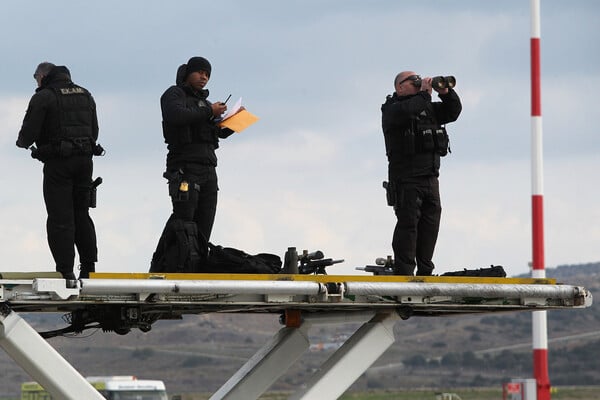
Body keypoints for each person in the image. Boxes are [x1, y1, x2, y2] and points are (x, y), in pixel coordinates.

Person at [16, 62, 101, 280]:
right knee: (82, 214)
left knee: (60, 218)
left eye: (36, 77)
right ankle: (88, 268)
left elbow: (27, 134)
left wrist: (24, 143)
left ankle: (66, 271)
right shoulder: (86, 95)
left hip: (59, 165)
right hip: (85, 163)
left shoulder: (44, 96)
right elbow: (95, 131)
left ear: (43, 76)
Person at [150, 56, 234, 273]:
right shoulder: (174, 94)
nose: (204, 77)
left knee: (204, 223)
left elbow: (214, 133)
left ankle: (197, 267)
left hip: (208, 169)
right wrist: (210, 111)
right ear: (188, 73)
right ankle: (164, 266)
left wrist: (232, 123)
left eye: (207, 74)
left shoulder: (206, 104)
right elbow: (175, 115)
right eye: (200, 72)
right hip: (185, 168)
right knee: (183, 221)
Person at [381, 71, 462, 275]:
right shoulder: (392, 109)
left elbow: (453, 111)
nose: (418, 83)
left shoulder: (427, 108)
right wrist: (425, 94)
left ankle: (425, 270)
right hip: (406, 178)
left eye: (420, 80)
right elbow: (409, 111)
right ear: (399, 87)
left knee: (430, 224)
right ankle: (405, 272)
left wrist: (445, 92)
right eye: (413, 81)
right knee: (409, 225)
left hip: (430, 177)